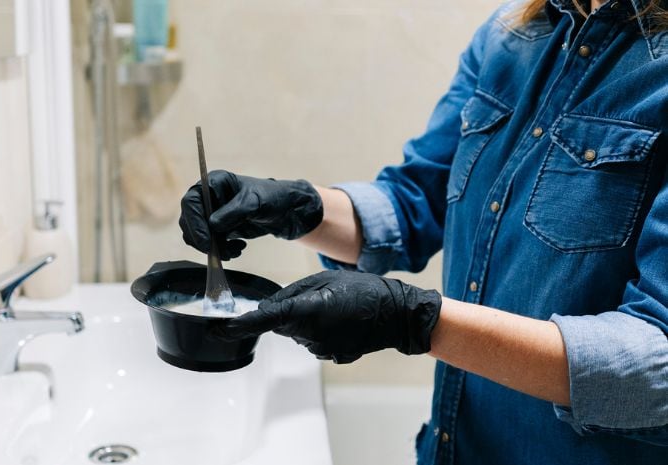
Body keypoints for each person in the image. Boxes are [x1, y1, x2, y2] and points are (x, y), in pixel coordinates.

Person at [178, 0, 668, 463]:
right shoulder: (513, 35)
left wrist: (413, 321)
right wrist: (296, 208)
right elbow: (416, 200)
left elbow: (655, 363)